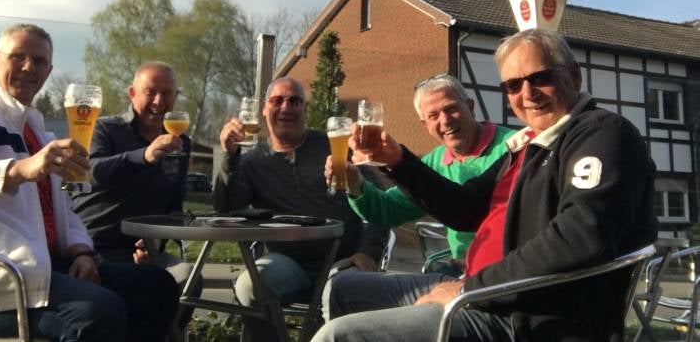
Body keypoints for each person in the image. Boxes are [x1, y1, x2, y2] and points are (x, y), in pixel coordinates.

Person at [313, 28, 657, 342]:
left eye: (540, 77)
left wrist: (468, 289)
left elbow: (581, 237)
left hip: (524, 317)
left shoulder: (602, 134)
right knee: (343, 288)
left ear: (574, 75)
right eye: (513, 85)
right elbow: (466, 209)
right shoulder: (529, 145)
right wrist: (399, 161)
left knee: (338, 336)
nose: (528, 93)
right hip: (480, 289)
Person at [0, 24, 177, 342]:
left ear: (48, 71)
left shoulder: (39, 134)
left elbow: (65, 212)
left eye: (38, 61)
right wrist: (20, 169)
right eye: (17, 57)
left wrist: (81, 253)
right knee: (98, 313)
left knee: (157, 287)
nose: (28, 67)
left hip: (41, 268)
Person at [215, 76, 389, 342]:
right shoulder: (252, 162)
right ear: (264, 109)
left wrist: (369, 252)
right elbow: (227, 208)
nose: (286, 107)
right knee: (249, 286)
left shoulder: (335, 144)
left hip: (344, 262)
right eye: (277, 100)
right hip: (289, 264)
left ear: (304, 109)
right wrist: (229, 156)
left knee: (343, 294)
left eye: (294, 101)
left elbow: (379, 203)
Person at [340, 74, 514, 273]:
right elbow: (389, 210)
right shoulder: (435, 160)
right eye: (433, 116)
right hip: (460, 272)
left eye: (451, 109)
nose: (445, 121)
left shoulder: (514, 148)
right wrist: (355, 185)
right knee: (345, 283)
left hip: (507, 271)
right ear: (425, 125)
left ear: (470, 107)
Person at [72, 62, 192, 270]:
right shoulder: (104, 128)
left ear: (175, 97)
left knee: (187, 276)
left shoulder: (181, 142)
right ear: (132, 94)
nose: (158, 101)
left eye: (166, 93)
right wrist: (144, 156)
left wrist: (157, 241)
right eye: (150, 92)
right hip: (92, 247)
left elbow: (173, 207)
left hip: (144, 251)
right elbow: (90, 172)